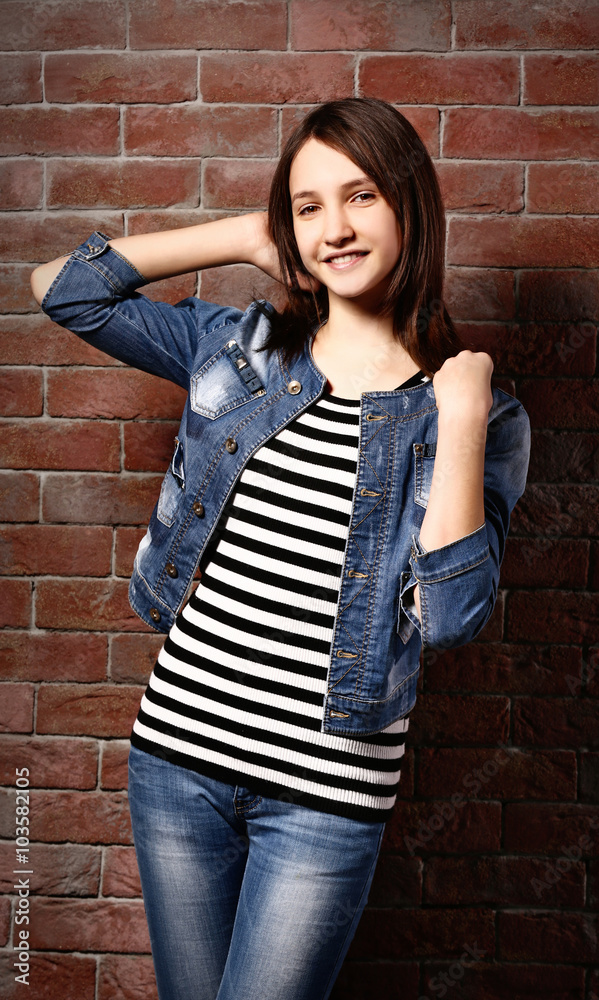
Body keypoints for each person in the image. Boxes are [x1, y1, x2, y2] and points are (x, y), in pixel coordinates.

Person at [30, 97, 531, 1000]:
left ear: (410, 206)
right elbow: (61, 288)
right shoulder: (238, 349)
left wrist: (455, 418)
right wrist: (245, 235)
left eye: (361, 197)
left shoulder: (476, 415)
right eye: (307, 207)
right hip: (176, 765)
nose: (335, 228)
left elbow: (453, 618)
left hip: (323, 803)